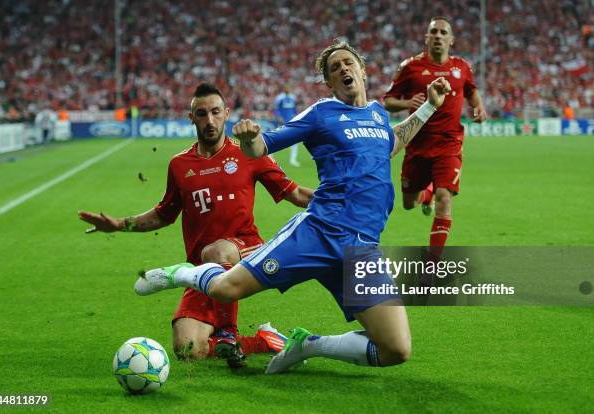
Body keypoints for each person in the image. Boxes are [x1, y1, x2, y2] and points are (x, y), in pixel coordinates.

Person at [134, 41, 451, 374]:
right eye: (334, 68)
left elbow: (391, 141)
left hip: (362, 248)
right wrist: (249, 137)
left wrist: (429, 107)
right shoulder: (320, 114)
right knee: (227, 289)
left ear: (362, 69)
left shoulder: (376, 114)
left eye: (348, 63)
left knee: (396, 349)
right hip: (319, 232)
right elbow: (261, 146)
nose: (343, 69)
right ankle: (177, 273)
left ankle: (308, 345)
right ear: (328, 83)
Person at [79, 82, 313, 366]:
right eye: (202, 114)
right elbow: (163, 215)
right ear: (192, 118)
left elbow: (296, 194)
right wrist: (118, 225)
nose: (210, 120)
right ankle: (264, 340)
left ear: (227, 113)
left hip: (247, 251)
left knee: (216, 252)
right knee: (188, 349)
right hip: (202, 271)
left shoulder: (249, 155)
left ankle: (228, 331)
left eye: (215, 112)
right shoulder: (180, 165)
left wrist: (339, 201)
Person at [383, 17, 488, 258]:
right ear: (427, 38)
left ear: (451, 40)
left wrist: (479, 107)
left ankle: (432, 264)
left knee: (445, 198)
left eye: (443, 32)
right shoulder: (411, 67)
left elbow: (471, 90)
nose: (438, 36)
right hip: (416, 144)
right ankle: (426, 193)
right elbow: (388, 101)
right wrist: (407, 102)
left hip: (449, 143)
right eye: (434, 32)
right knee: (409, 203)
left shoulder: (461, 67)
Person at [273, 84, 300, 167]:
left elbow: (294, 109)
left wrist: (296, 117)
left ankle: (293, 160)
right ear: (284, 88)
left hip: (292, 122)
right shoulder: (279, 98)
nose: (288, 89)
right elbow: (276, 109)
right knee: (277, 140)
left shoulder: (293, 97)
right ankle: (271, 159)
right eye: (286, 87)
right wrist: (278, 117)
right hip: (282, 122)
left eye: (289, 87)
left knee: (295, 141)